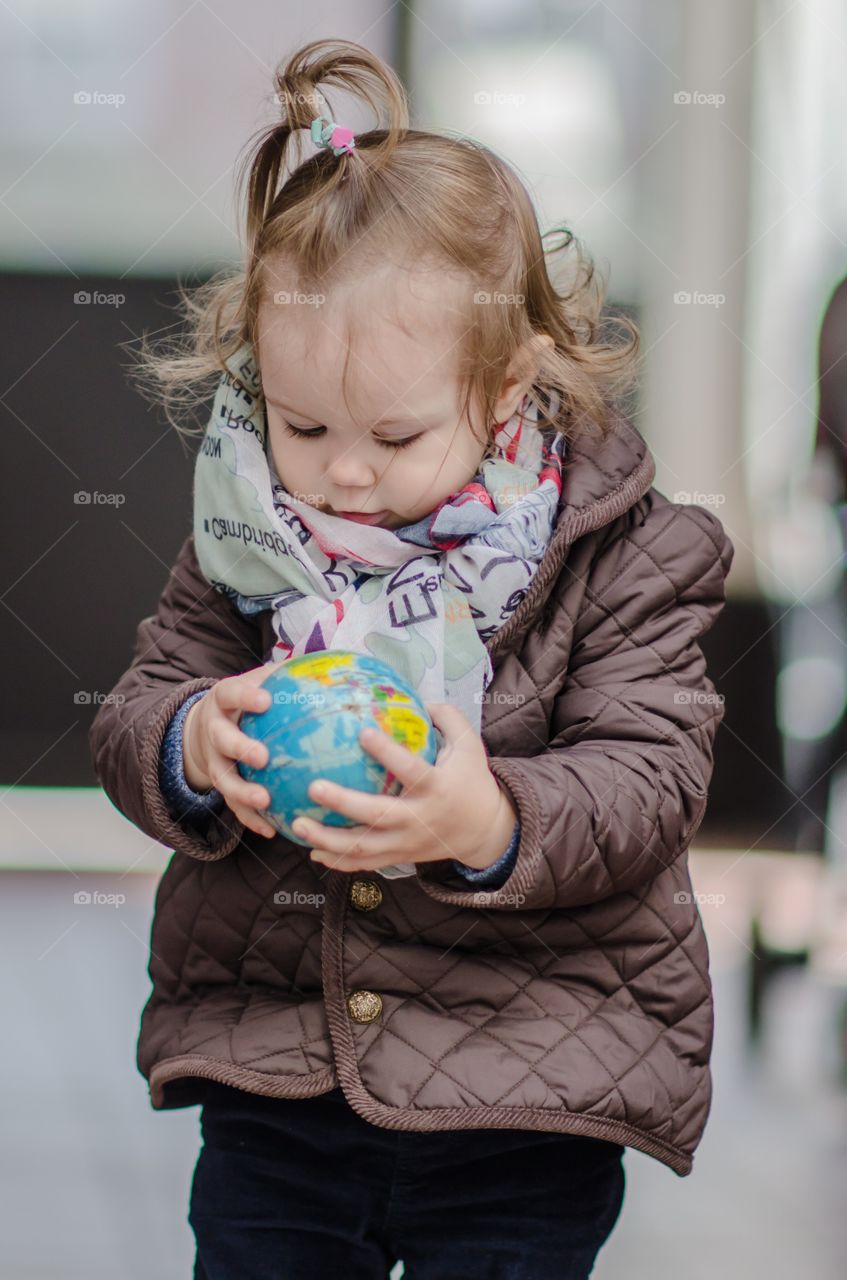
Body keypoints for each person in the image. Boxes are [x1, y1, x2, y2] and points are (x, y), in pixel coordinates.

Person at [90, 37, 734, 1280]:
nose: (340, 472)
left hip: (526, 1076)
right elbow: (137, 704)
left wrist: (486, 813)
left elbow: (650, 779)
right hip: (280, 1070)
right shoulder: (248, 543)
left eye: (393, 433)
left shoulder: (626, 557)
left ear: (504, 392)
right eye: (301, 424)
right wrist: (188, 739)